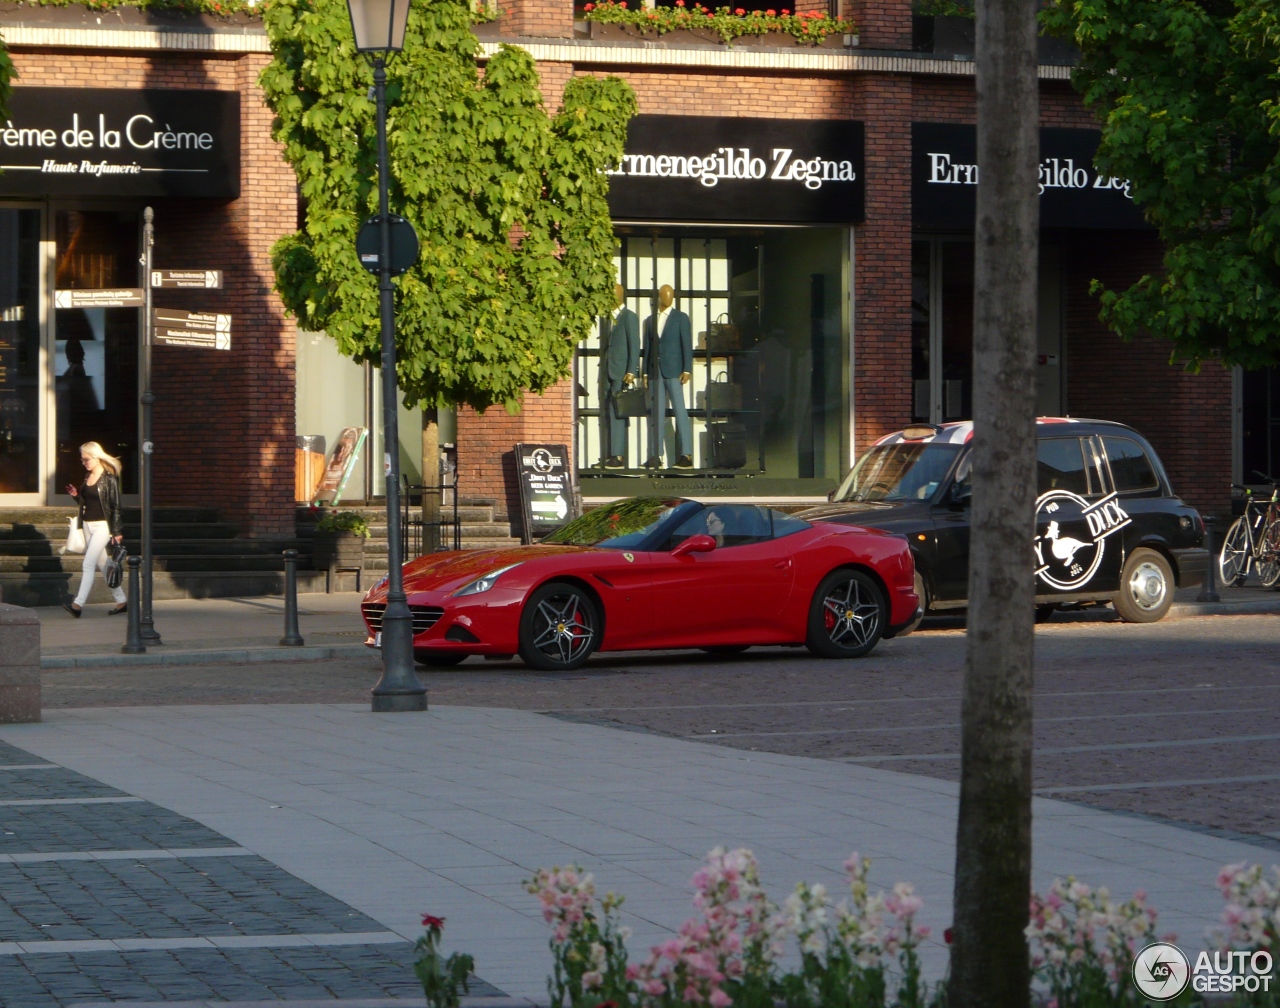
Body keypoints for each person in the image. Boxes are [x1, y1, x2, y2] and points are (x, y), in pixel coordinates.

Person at [63, 441, 126, 617]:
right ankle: (121, 601)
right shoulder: (87, 477)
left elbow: (115, 506)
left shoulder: (109, 479)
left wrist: (117, 531)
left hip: (103, 527)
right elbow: (88, 503)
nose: (83, 463)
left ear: (97, 457)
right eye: (82, 460)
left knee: (88, 564)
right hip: (88, 525)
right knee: (103, 565)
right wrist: (76, 496)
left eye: (86, 459)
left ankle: (77, 605)